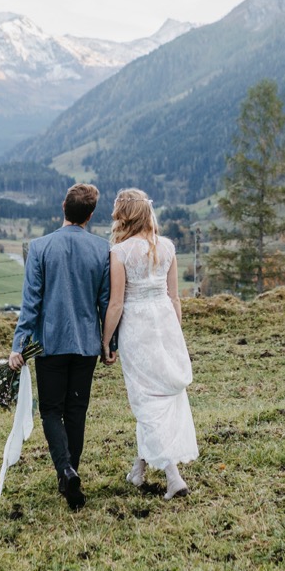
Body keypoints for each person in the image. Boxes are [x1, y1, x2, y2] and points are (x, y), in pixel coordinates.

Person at [9, 183, 111, 510]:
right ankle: (71, 472)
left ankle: (65, 470)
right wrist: (111, 344)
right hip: (87, 346)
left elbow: (31, 304)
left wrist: (18, 345)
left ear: (62, 207)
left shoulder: (39, 247)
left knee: (51, 410)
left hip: (49, 345)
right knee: (76, 411)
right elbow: (106, 303)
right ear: (90, 215)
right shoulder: (102, 249)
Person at [101, 188, 198, 500]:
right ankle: (139, 468)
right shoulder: (167, 247)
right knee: (161, 397)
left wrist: (106, 341)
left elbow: (116, 304)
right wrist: (176, 333)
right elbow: (175, 297)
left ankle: (173, 476)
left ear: (124, 216)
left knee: (146, 401)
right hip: (165, 323)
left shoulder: (120, 253)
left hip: (137, 329)